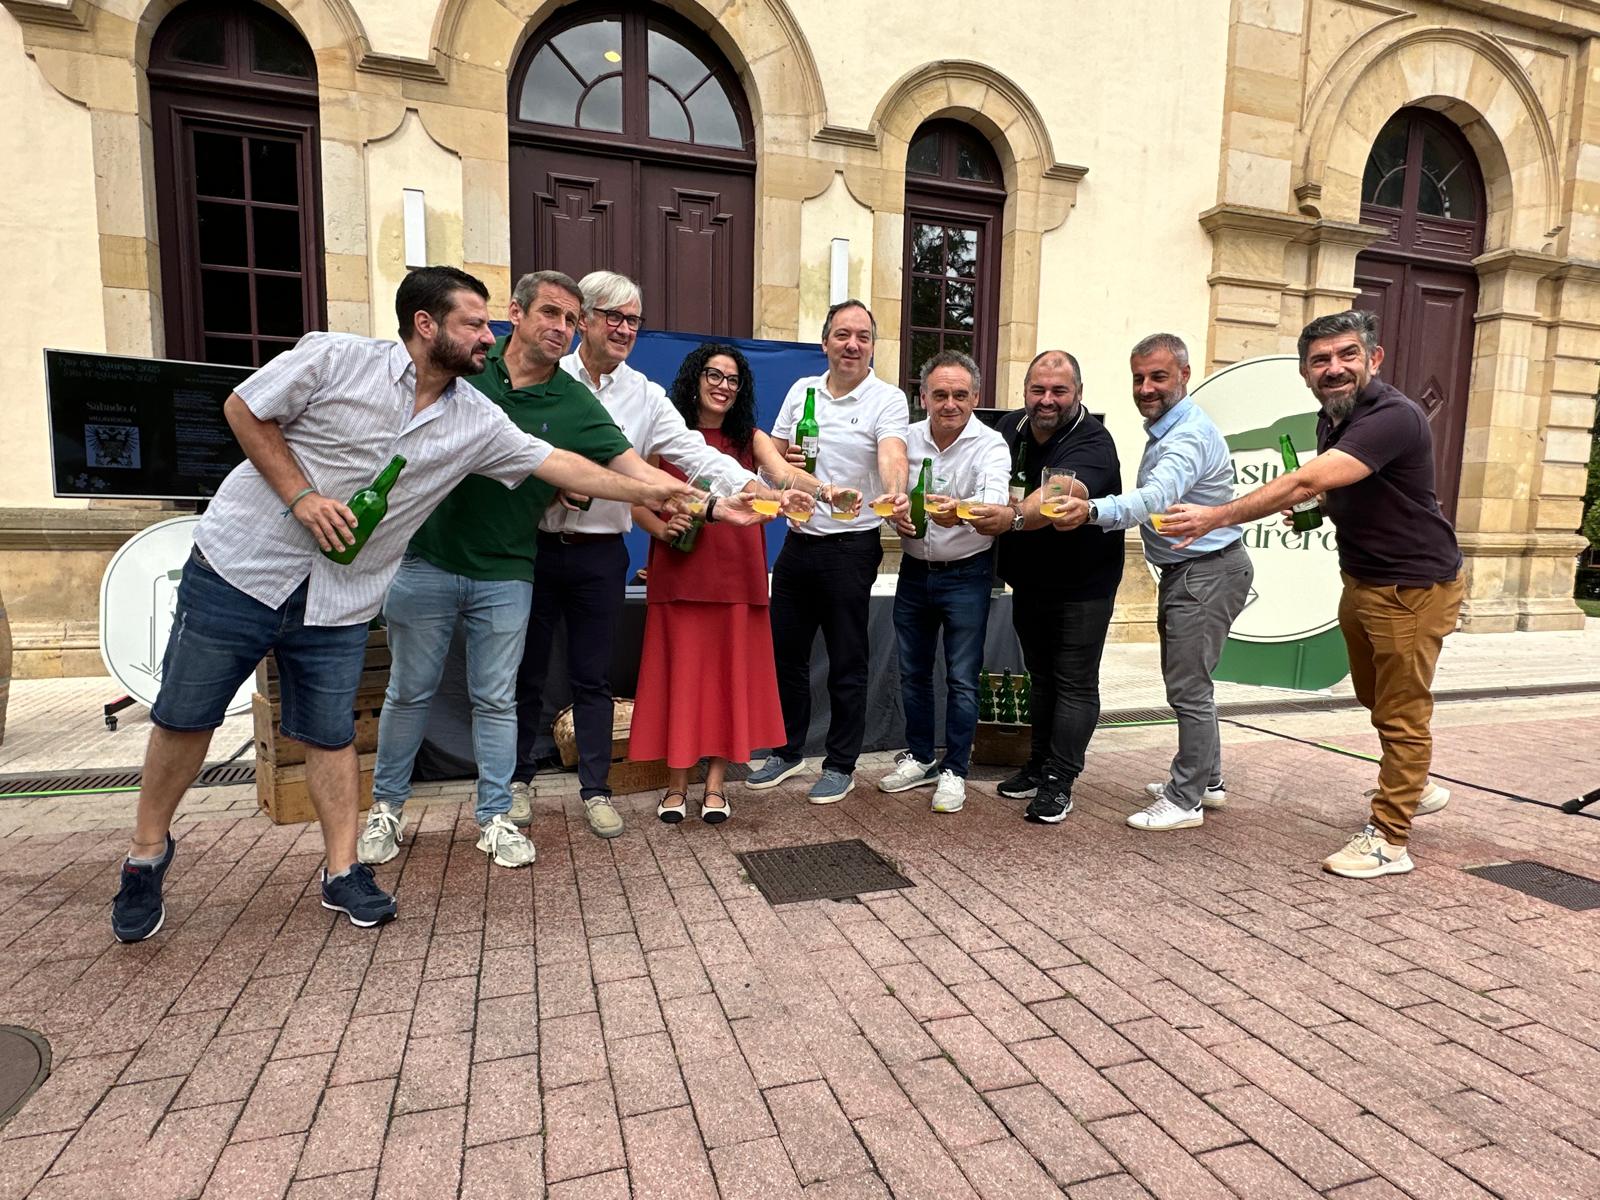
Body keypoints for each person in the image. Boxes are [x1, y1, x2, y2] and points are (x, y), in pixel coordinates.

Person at [110, 266, 696, 943]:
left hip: (341, 595)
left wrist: (658, 492)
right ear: (426, 324)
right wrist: (303, 497)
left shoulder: (475, 415)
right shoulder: (337, 358)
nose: (487, 336)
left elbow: (558, 464)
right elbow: (245, 408)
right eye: (473, 324)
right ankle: (146, 855)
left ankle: (341, 870)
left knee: (330, 733)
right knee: (186, 719)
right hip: (241, 569)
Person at [359, 270, 683, 871]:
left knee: (497, 698)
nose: (562, 328)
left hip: (509, 567)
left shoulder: (575, 399)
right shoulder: (469, 367)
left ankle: (495, 816)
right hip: (427, 557)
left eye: (570, 319)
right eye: (551, 314)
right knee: (408, 693)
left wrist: (698, 497)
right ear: (516, 313)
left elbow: (624, 466)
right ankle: (387, 809)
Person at [1161, 309, 1462, 878]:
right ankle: (1412, 778)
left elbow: (1305, 480)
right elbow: (1338, 488)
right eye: (1321, 360)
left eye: (1348, 354)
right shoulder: (1334, 418)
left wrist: (1214, 517)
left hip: (1413, 587)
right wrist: (1320, 507)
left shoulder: (1393, 415)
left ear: (1374, 359)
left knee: (1402, 712)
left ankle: (1389, 837)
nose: (1334, 368)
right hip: (1365, 580)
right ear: (1305, 372)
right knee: (1375, 697)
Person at [511, 271, 764, 841]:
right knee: (527, 671)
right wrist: (549, 487)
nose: (625, 329)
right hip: (534, 546)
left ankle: (596, 791)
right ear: (584, 321)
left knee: (592, 679)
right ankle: (517, 781)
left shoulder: (645, 395)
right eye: (614, 317)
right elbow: (510, 452)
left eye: (633, 320)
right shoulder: (549, 377)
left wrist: (750, 489)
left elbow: (693, 453)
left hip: (600, 553)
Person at [1048, 333, 1252, 831]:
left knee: (1189, 691)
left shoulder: (1185, 436)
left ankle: (1185, 800)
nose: (1145, 388)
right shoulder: (1170, 427)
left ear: (1184, 375)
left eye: (1158, 376)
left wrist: (1090, 510)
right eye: (1138, 377)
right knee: (1193, 686)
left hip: (1205, 573)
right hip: (1197, 571)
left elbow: (1155, 499)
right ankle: (1208, 781)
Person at [629, 344, 822, 822]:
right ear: (694, 378)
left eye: (733, 380)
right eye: (714, 375)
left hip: (737, 573)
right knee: (680, 680)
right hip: (680, 572)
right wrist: (661, 530)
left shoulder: (750, 438)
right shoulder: (665, 434)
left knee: (726, 681)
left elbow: (783, 474)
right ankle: (676, 785)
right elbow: (635, 501)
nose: (723, 386)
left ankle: (716, 786)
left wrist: (826, 490)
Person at [745, 299, 910, 804]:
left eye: (862, 337)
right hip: (798, 543)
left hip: (851, 547)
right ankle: (787, 751)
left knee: (846, 662)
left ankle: (841, 764)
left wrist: (895, 492)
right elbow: (769, 456)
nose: (852, 345)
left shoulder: (887, 398)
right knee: (786, 656)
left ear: (873, 347)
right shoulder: (802, 391)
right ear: (825, 343)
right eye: (842, 335)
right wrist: (784, 467)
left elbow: (893, 453)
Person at [964, 350, 1123, 824]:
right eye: (1038, 389)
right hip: (1030, 581)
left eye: (1059, 391)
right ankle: (1036, 766)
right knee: (1041, 677)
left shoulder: (1093, 441)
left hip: (1083, 585)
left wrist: (1011, 517)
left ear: (1078, 393)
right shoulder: (1010, 427)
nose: (1047, 400)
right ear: (1025, 391)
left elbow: (1059, 494)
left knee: (1074, 682)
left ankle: (1060, 781)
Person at [876, 351, 1009, 814]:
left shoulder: (991, 444)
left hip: (967, 573)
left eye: (959, 394)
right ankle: (919, 757)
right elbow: (887, 496)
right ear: (923, 398)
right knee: (912, 672)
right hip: (914, 571)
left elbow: (994, 504)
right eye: (939, 394)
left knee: (962, 678)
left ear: (975, 397)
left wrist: (961, 512)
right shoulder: (905, 441)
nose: (949, 403)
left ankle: (955, 769)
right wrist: (894, 517)